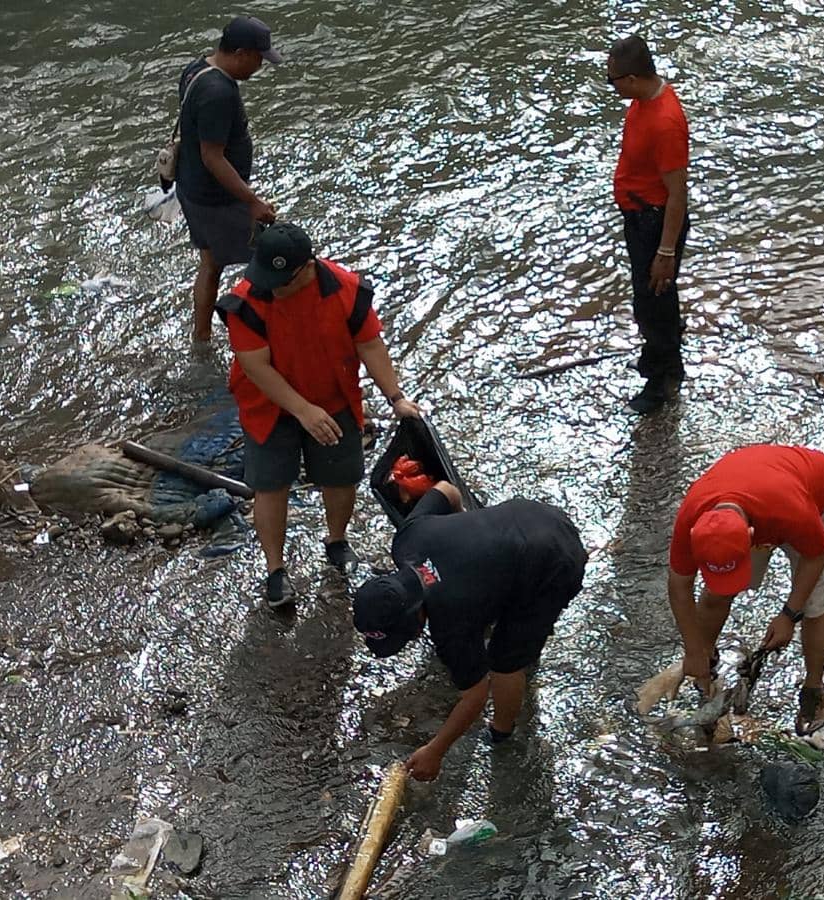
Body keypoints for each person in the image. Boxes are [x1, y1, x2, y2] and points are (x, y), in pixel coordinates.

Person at [217, 222, 421, 608]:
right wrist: (303, 410)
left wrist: (396, 397)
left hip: (334, 397)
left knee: (341, 476)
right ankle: (275, 570)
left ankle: (336, 541)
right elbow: (255, 366)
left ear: (307, 267)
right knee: (271, 485)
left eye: (281, 281)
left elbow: (370, 345)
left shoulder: (346, 290)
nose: (273, 287)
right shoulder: (247, 301)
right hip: (268, 405)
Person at [352, 484, 588, 781]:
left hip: (556, 561)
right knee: (496, 614)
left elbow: (475, 696)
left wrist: (435, 751)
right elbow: (447, 489)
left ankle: (502, 732)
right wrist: (467, 537)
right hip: (533, 513)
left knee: (505, 662)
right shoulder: (408, 540)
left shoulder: (450, 622)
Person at [666, 445, 824, 735]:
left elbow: (816, 557)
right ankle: (705, 669)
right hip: (758, 493)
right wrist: (693, 650)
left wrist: (789, 615)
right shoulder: (692, 519)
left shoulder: (792, 510)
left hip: (822, 501)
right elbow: (679, 585)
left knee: (815, 604)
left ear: (751, 537)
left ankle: (813, 688)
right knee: (717, 594)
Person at [176, 16, 282, 342]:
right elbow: (213, 156)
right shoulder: (218, 93)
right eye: (258, 59)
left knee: (211, 264)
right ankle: (268, 338)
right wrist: (252, 202)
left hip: (193, 189)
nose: (259, 67)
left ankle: (202, 336)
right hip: (217, 201)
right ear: (240, 53)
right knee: (276, 260)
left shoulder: (197, 69)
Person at [607, 35, 691, 415]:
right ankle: (662, 358)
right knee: (654, 298)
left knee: (653, 300)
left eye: (613, 81)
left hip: (655, 222)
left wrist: (666, 251)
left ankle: (661, 382)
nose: (611, 87)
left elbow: (677, 194)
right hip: (639, 215)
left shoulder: (666, 123)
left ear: (633, 79)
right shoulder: (642, 103)